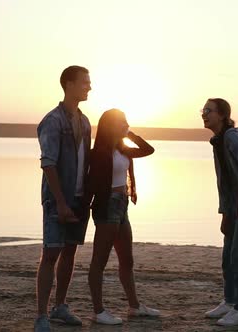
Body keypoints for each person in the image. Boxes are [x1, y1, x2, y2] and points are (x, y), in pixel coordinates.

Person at [86, 108, 160, 324]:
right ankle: (98, 311)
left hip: (122, 205)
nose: (125, 124)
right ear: (110, 125)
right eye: (122, 122)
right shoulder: (99, 152)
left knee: (127, 259)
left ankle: (134, 307)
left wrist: (130, 134)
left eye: (126, 121)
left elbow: (148, 149)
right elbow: (91, 184)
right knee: (99, 261)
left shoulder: (123, 148)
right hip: (107, 205)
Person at [35, 65, 92, 332]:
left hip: (80, 199)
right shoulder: (52, 121)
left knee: (69, 252)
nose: (89, 87)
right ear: (69, 84)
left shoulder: (84, 121)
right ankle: (41, 315)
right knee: (51, 253)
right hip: (58, 199)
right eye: (84, 83)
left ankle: (60, 306)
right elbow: (48, 163)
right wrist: (59, 201)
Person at [201, 98, 238, 326]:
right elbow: (225, 183)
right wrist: (225, 212)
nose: (204, 114)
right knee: (227, 258)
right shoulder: (218, 140)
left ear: (222, 115)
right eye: (202, 110)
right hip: (233, 206)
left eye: (208, 111)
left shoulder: (232, 137)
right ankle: (230, 302)